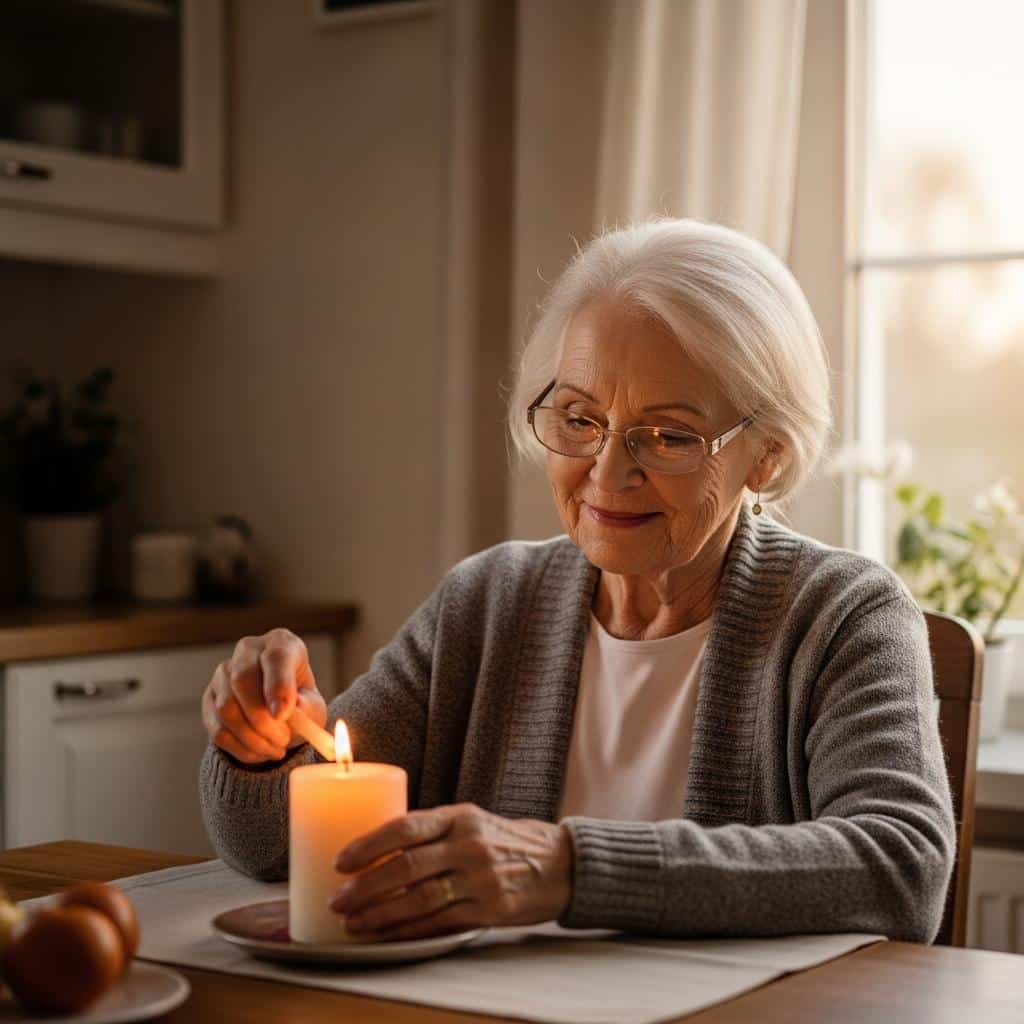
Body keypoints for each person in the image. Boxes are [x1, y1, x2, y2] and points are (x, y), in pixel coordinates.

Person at [199, 218, 955, 944]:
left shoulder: (846, 616)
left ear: (765, 456)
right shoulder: (488, 604)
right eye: (579, 418)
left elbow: (901, 870)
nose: (607, 471)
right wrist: (262, 748)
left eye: (667, 436)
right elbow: (271, 847)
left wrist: (567, 871)